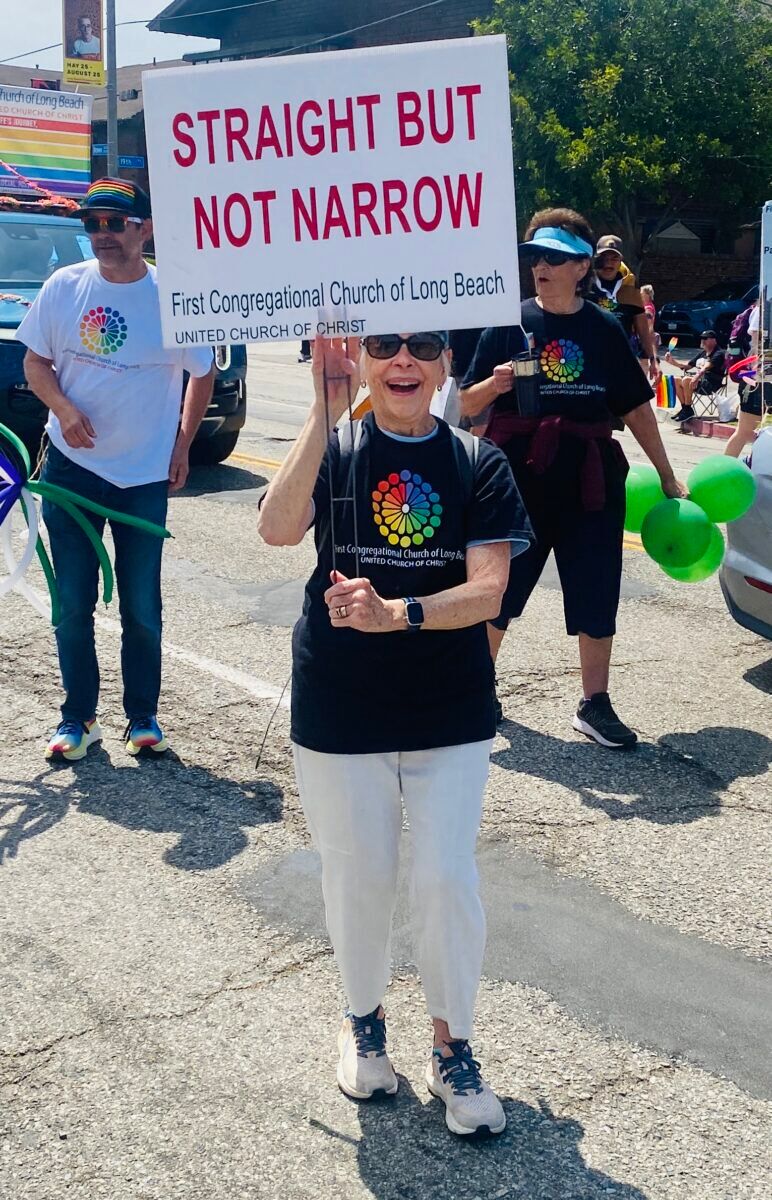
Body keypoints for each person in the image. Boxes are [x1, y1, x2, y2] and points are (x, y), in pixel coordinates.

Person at [258, 331, 532, 1137]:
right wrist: (324, 410)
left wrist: (400, 613)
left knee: (445, 877)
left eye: (423, 345)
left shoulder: (479, 463)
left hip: (448, 705)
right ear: (364, 360)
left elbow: (488, 591)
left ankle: (453, 1046)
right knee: (359, 874)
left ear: (447, 365)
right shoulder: (336, 449)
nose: (403, 360)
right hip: (340, 704)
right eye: (385, 345)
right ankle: (363, 1021)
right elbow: (277, 528)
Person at [460, 207, 686, 748]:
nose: (541, 266)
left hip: (588, 474)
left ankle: (595, 703)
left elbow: (636, 407)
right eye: (536, 257)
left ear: (583, 267)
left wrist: (667, 475)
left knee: (596, 583)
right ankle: (476, 689)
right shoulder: (507, 323)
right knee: (499, 586)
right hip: (517, 475)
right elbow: (465, 405)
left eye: (555, 258)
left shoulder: (603, 328)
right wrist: (494, 384)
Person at [16, 178, 214, 761]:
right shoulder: (65, 286)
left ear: (145, 229)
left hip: (142, 477)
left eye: (114, 223)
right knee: (72, 604)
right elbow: (35, 362)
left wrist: (183, 443)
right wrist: (63, 409)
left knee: (142, 608)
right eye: (92, 223)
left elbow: (202, 374)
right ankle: (78, 718)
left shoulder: (175, 296)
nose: (102, 234)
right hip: (71, 472)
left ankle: (142, 717)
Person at [589, 235, 659, 381]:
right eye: (604, 258)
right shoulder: (584, 287)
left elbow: (643, 329)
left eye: (614, 258)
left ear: (621, 261)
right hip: (589, 361)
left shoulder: (630, 289)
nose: (608, 263)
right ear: (596, 259)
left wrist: (653, 359)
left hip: (621, 362)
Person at [726, 302, 764, 456]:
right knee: (744, 432)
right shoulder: (762, 310)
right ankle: (725, 468)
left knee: (745, 432)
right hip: (756, 378)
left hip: (760, 377)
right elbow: (756, 346)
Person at [664, 330, 725, 423]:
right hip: (698, 382)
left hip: (711, 384)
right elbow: (687, 366)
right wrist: (672, 361)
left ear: (714, 340)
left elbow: (706, 367)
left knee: (687, 379)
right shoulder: (702, 353)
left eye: (705, 338)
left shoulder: (719, 353)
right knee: (675, 380)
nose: (702, 341)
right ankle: (685, 409)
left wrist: (696, 376)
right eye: (702, 338)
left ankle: (688, 409)